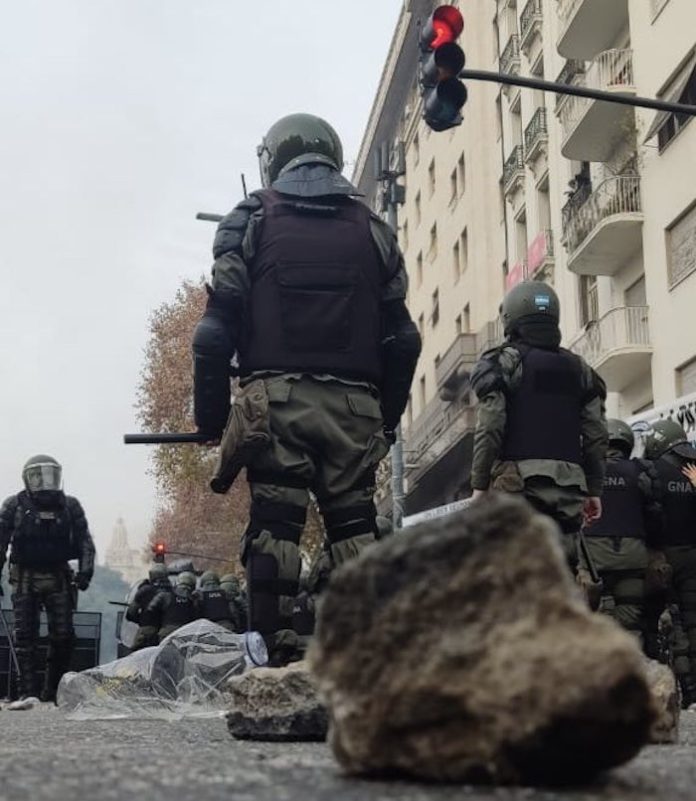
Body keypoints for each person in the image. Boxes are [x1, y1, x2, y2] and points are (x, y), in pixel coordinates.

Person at [191, 113, 421, 665]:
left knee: (275, 528)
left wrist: (212, 421)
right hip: (355, 411)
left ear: (272, 160)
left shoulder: (248, 219)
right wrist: (384, 424)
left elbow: (213, 333)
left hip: (276, 408)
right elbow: (404, 340)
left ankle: (271, 658)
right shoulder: (373, 228)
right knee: (354, 528)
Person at [470, 281, 608, 567]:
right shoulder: (581, 370)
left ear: (509, 318)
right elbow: (596, 435)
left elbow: (490, 426)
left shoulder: (502, 363)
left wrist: (480, 485)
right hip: (569, 489)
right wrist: (593, 489)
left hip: (518, 486)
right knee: (562, 573)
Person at [0, 455, 95, 701]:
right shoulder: (14, 506)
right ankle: (27, 692)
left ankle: (53, 691)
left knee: (63, 636)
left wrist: (86, 572)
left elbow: (85, 541)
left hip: (58, 575)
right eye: (38, 476)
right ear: (27, 479)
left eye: (50, 475)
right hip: (25, 576)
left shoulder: (70, 506)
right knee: (25, 637)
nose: (45, 482)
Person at [578, 419, 663, 644]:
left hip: (595, 561)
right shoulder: (641, 471)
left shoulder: (583, 472)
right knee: (630, 625)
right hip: (633, 559)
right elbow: (654, 515)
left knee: (601, 626)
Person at [645, 419, 696, 706]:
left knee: (674, 623)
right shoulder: (692, 469)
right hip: (693, 556)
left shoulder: (652, 470)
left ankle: (686, 690)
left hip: (664, 556)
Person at [126, 563, 172, 651]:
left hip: (147, 631)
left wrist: (142, 619)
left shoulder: (144, 590)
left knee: (135, 656)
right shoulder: (172, 591)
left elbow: (130, 614)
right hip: (167, 633)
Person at [148, 571, 199, 642]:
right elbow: (197, 617)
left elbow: (150, 610)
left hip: (166, 633)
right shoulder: (194, 600)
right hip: (185, 635)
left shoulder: (166, 596)